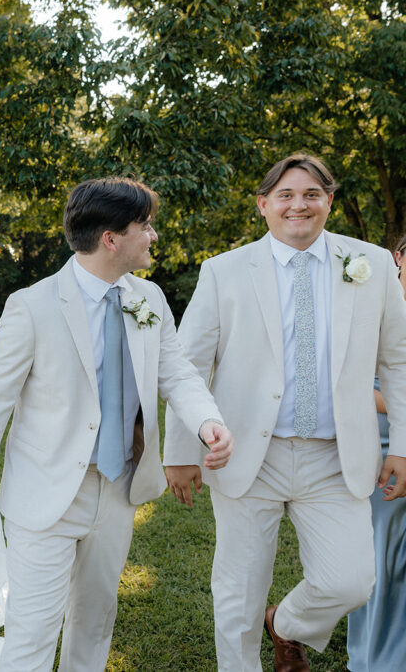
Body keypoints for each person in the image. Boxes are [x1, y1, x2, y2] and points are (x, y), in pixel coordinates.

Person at [0, 177, 235, 672]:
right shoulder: (31, 306)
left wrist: (209, 421)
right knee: (34, 632)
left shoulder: (150, 301)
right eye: (144, 225)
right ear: (111, 239)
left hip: (119, 489)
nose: (153, 235)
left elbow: (177, 372)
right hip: (46, 492)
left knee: (95, 623)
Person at [163, 154, 406, 672]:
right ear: (263, 205)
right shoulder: (223, 271)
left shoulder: (373, 265)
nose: (299, 205)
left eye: (312, 194)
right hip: (250, 452)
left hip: (336, 457)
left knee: (351, 580)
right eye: (286, 196)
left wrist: (403, 444)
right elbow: (187, 367)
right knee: (238, 591)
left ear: (329, 202)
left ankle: (287, 624)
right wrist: (181, 449)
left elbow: (398, 361)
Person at [345, 232, 406, 671]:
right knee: (383, 559)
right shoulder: (372, 306)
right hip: (385, 447)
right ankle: (376, 660)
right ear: (399, 257)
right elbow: (347, 385)